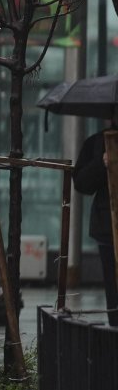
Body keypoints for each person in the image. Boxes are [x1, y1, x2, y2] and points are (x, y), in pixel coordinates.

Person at [73, 125, 118, 327]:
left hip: (106, 225)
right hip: (108, 228)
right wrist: (102, 163)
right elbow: (81, 182)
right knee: (113, 286)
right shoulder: (99, 141)